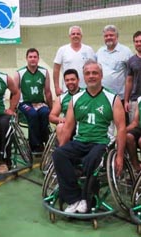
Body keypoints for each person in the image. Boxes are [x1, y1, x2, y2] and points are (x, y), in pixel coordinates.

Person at [52, 59, 126, 213]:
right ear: (84, 77)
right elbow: (68, 127)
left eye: (95, 73)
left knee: (91, 159)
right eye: (88, 73)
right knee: (59, 154)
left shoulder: (112, 98)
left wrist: (119, 156)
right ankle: (74, 199)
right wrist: (63, 146)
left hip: (102, 142)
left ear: (101, 75)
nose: (91, 76)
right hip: (80, 141)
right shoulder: (76, 99)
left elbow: (121, 128)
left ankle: (87, 198)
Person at [15, 48, 53, 153]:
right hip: (25, 103)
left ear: (38, 58)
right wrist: (13, 108)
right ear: (26, 58)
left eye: (35, 57)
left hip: (40, 103)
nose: (33, 59)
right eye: (30, 57)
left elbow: (48, 92)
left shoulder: (44, 72)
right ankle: (35, 145)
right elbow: (15, 92)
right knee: (32, 114)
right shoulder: (19, 73)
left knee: (45, 112)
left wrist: (52, 108)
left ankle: (44, 139)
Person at [95, 25, 133, 121]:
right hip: (103, 97)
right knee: (104, 123)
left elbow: (131, 75)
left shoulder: (126, 51)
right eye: (106, 36)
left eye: (111, 35)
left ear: (117, 36)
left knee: (123, 124)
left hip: (120, 97)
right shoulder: (100, 52)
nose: (108, 38)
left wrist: (128, 99)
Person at [53, 25, 95, 96]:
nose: (75, 36)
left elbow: (94, 69)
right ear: (70, 36)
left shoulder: (89, 50)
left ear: (81, 36)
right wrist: (56, 87)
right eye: (73, 34)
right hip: (68, 89)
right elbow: (56, 69)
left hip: (86, 89)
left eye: (78, 34)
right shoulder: (62, 50)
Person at [49, 69, 83, 145]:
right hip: (68, 125)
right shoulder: (61, 98)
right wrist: (61, 119)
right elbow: (52, 116)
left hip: (84, 125)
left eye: (72, 79)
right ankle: (63, 152)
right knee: (60, 126)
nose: (70, 82)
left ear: (78, 80)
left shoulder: (85, 94)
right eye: (67, 80)